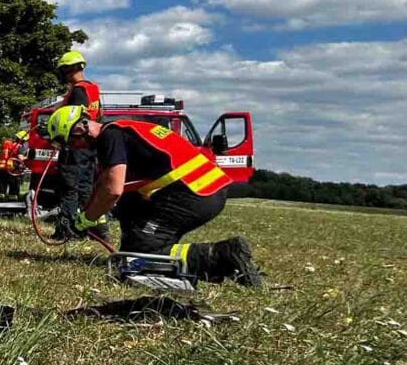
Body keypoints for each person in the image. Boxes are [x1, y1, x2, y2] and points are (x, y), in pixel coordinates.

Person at [45, 105, 262, 284]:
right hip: (205, 188)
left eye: (71, 142)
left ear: (80, 129)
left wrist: (85, 221)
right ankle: (169, 257)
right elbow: (113, 187)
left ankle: (223, 255)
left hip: (194, 192)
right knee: (132, 233)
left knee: (137, 258)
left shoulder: (110, 137)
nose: (76, 148)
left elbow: (112, 190)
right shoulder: (123, 130)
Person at [51, 50, 105, 240]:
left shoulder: (79, 90)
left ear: (69, 69)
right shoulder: (93, 89)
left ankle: (66, 230)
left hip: (75, 147)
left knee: (69, 188)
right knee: (86, 189)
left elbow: (74, 119)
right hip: (89, 147)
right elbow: (98, 117)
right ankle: (93, 230)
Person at [0, 129, 27, 198]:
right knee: (14, 188)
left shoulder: (7, 143)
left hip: (2, 167)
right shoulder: (21, 147)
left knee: (2, 186)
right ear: (23, 140)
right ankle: (12, 202)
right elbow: (20, 158)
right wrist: (28, 157)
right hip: (13, 169)